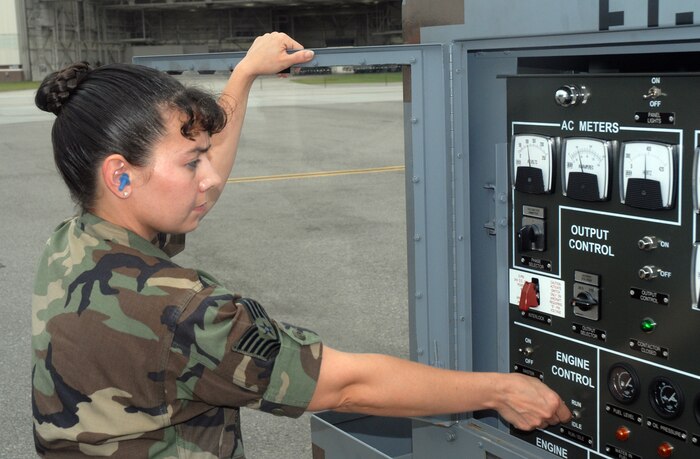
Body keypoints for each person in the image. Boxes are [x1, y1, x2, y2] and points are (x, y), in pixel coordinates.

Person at [31, 32, 571, 458]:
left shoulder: (76, 244)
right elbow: (347, 386)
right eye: (192, 162)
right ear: (121, 176)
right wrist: (501, 391)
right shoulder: (184, 311)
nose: (210, 178)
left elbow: (198, 184)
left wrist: (242, 76)